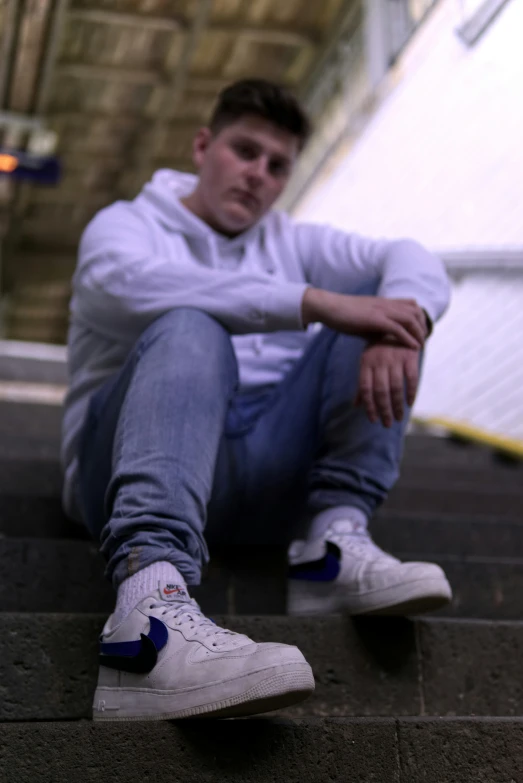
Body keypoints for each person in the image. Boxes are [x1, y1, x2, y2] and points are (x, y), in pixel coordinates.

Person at [61, 78, 452, 722]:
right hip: (127, 474)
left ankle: (331, 546)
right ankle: (146, 616)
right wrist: (315, 303)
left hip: (269, 473)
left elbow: (411, 256)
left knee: (389, 305)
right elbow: (122, 284)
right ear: (202, 146)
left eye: (277, 166)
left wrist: (399, 326)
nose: (258, 176)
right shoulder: (126, 224)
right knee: (192, 323)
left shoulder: (293, 242)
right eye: (244, 152)